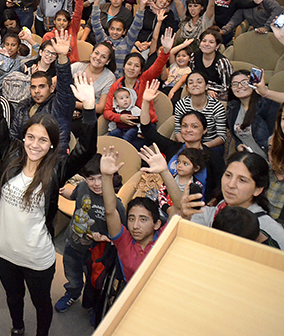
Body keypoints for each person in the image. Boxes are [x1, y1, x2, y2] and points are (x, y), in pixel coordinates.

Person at [0, 65, 97, 336]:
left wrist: (91, 109)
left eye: (43, 140)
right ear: (23, 138)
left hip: (37, 257)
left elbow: (86, 149)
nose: (35, 144)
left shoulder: (57, 169)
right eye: (30, 137)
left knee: (41, 302)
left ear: (52, 145)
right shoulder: (11, 153)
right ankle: (17, 328)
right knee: (13, 298)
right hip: (5, 251)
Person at [55, 153, 126, 315]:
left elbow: (121, 233)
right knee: (72, 273)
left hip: (96, 253)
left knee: (94, 282)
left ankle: (95, 306)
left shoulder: (116, 205)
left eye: (101, 178)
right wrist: (60, 191)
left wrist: (105, 238)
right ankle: (72, 293)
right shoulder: (82, 187)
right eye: (91, 179)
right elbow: (72, 196)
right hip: (73, 244)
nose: (96, 184)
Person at [101, 144, 183, 281]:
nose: (135, 226)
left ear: (156, 224)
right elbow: (110, 211)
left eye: (143, 219)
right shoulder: (124, 241)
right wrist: (106, 176)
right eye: (132, 219)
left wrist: (164, 172)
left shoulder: (164, 237)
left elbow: (179, 207)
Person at [140, 79, 225, 204]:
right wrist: (146, 102)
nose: (188, 130)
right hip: (167, 205)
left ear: (205, 130)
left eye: (194, 126)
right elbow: (147, 130)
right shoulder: (172, 148)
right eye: (184, 126)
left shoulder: (213, 157)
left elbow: (219, 188)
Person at [181, 151, 284, 249]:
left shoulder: (270, 229)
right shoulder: (217, 209)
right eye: (228, 175)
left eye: (242, 180)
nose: (230, 185)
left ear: (258, 189)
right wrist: (185, 217)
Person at [9, 30, 75, 154]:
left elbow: (66, 88)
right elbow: (14, 138)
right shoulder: (23, 107)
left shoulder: (59, 105)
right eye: (33, 87)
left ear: (51, 88)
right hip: (24, 158)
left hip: (51, 159)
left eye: (41, 87)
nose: (37, 91)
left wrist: (62, 57)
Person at [227, 70, 280, 159]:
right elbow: (237, 136)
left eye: (244, 82)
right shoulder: (233, 107)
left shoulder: (268, 105)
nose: (239, 86)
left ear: (253, 84)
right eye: (235, 84)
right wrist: (239, 145)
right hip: (250, 160)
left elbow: (276, 137)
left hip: (271, 159)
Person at [173, 72, 227, 151]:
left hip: (210, 144)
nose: (195, 85)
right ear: (187, 88)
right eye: (191, 83)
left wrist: (202, 146)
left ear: (206, 87)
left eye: (199, 82)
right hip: (187, 143)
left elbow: (222, 136)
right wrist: (187, 145)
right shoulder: (181, 105)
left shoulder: (217, 107)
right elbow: (178, 131)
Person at [189, 28, 232, 102]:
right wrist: (205, 90)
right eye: (204, 41)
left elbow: (227, 87)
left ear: (217, 46)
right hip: (198, 90)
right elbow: (192, 75)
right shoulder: (195, 55)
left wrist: (209, 90)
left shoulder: (222, 62)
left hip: (217, 94)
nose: (206, 44)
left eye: (211, 42)